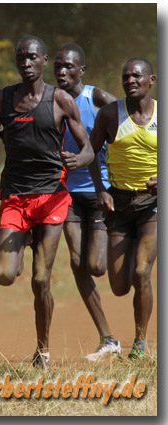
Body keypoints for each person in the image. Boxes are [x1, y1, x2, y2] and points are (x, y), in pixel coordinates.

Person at [0, 36, 94, 368]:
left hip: (52, 197)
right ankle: (24, 237)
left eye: (31, 57)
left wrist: (79, 161)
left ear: (44, 61)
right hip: (15, 196)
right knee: (4, 275)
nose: (25, 62)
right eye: (20, 57)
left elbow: (88, 148)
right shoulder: (4, 98)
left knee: (41, 280)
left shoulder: (60, 100)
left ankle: (43, 349)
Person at [52, 44, 122, 362]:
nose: (62, 72)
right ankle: (108, 339)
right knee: (79, 264)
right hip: (65, 193)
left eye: (69, 66)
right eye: (58, 67)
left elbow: (134, 129)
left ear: (82, 70)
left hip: (101, 190)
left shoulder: (98, 99)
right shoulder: (50, 101)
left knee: (97, 265)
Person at [90, 57, 157, 361]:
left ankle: (140, 343)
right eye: (125, 76)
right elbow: (91, 154)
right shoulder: (109, 114)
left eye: (136, 76)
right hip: (118, 205)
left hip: (153, 205)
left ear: (151, 81)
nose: (130, 80)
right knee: (119, 286)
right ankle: (138, 293)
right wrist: (101, 190)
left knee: (142, 272)